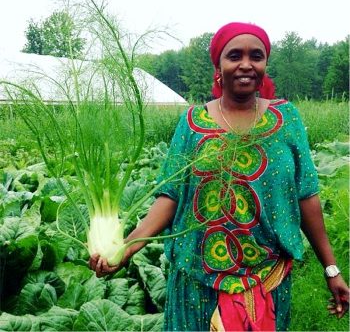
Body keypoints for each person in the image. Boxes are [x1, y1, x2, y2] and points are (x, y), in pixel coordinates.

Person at [90, 22, 349, 331]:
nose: (246, 64)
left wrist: (331, 269)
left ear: (265, 63)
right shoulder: (192, 122)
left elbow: (306, 196)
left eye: (256, 56)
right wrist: (127, 248)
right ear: (219, 65)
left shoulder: (286, 119)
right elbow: (170, 195)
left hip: (266, 278)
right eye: (234, 55)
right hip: (198, 282)